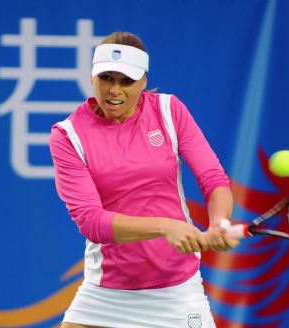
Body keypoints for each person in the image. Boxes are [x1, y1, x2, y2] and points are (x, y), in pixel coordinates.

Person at [49, 31, 238, 328]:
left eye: (126, 81)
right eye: (106, 78)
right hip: (106, 293)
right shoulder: (68, 135)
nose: (114, 90)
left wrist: (219, 222)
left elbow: (212, 178)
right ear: (92, 76)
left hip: (176, 289)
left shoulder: (168, 111)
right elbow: (91, 221)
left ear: (144, 81)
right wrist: (164, 227)